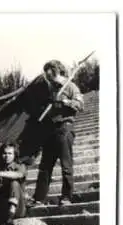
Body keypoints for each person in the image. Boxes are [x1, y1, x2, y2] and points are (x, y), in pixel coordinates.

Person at [29, 60, 84, 207]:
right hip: (49, 131)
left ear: (56, 71)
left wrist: (66, 101)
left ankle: (66, 197)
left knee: (66, 164)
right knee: (45, 167)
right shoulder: (49, 91)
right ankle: (39, 198)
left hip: (64, 128)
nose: (47, 76)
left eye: (49, 73)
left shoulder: (71, 86)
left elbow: (80, 105)